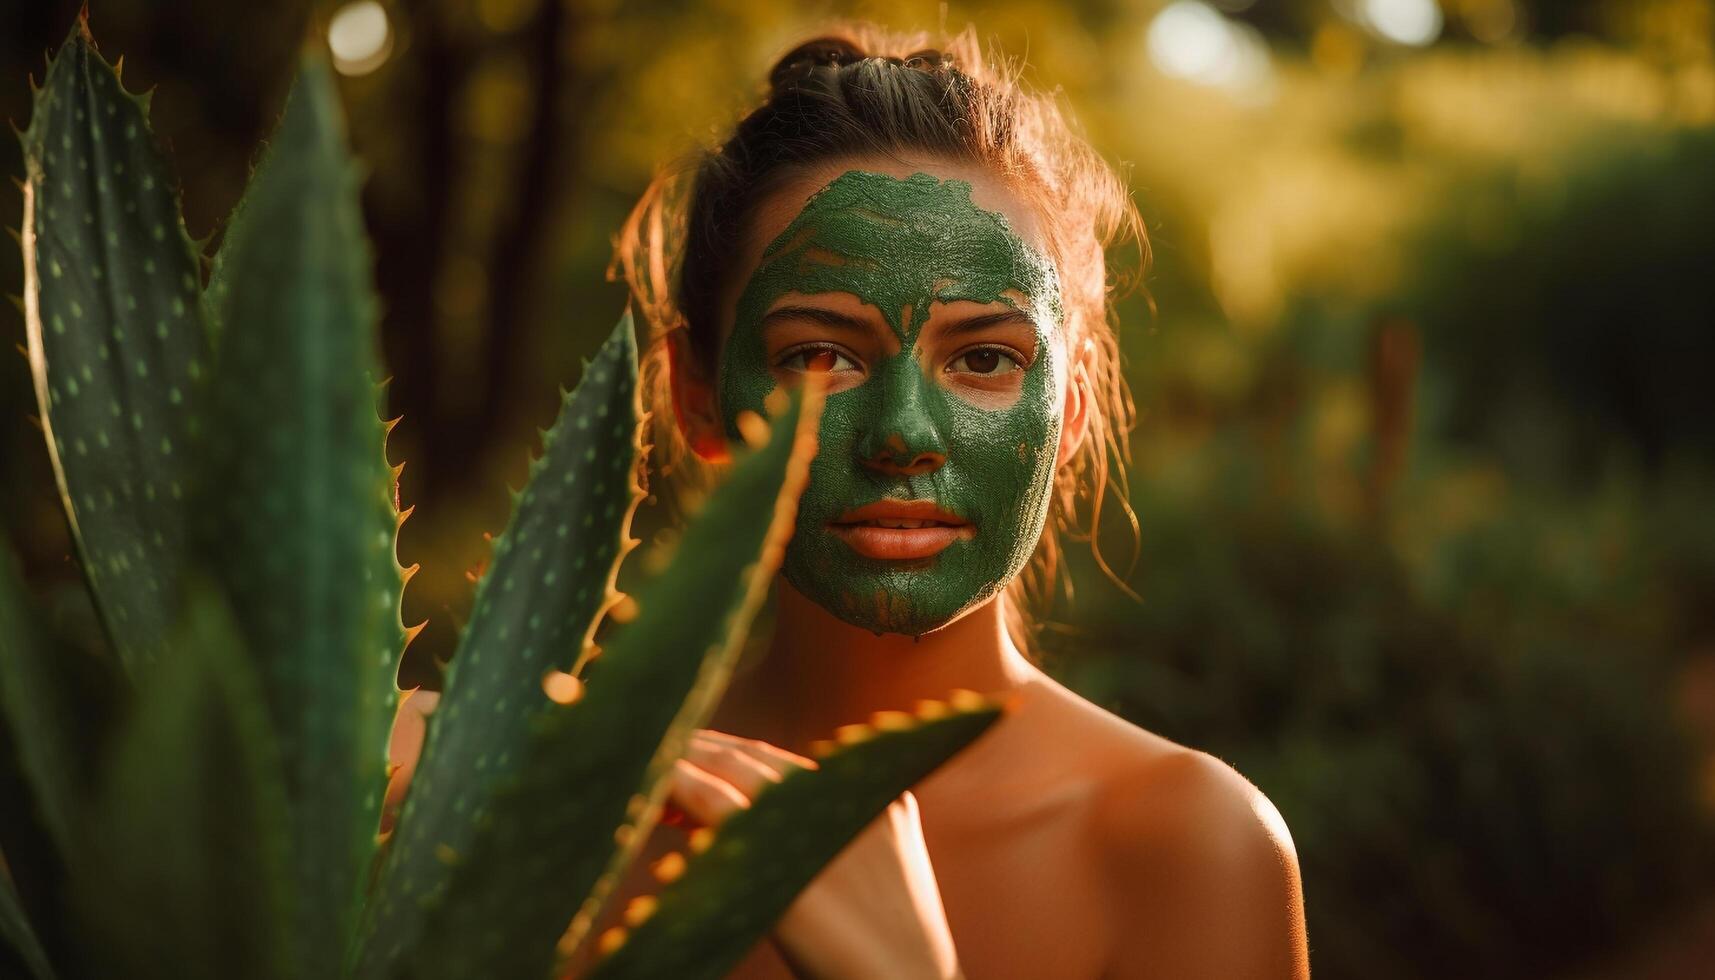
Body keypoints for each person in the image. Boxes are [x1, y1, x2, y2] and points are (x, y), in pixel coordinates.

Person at [391, 21, 1309, 980]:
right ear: (695, 397)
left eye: (985, 358)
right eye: (818, 356)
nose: (903, 433)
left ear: (1068, 411)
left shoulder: (1189, 845)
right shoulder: (557, 829)